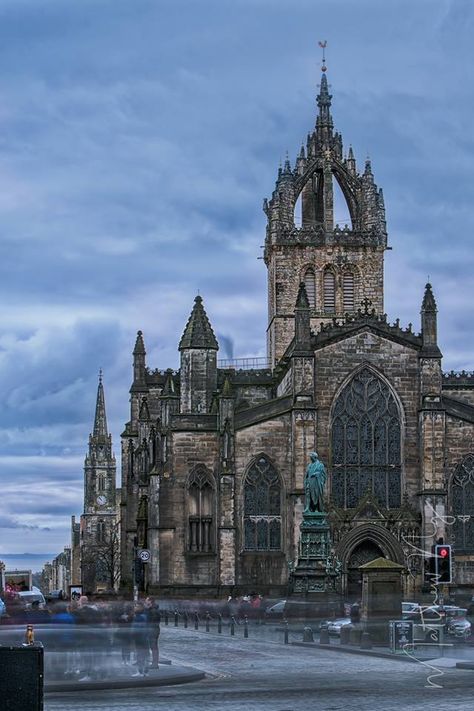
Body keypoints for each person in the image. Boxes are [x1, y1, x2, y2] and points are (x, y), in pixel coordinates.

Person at [131, 602, 149, 677]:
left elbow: (137, 629)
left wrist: (133, 636)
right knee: (144, 655)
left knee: (140, 655)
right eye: (135, 606)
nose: (135, 608)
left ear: (141, 607)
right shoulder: (143, 615)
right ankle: (144, 672)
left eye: (137, 606)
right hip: (142, 638)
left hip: (140, 638)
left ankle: (141, 672)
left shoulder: (140, 617)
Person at [144, 596, 161, 669]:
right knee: (152, 647)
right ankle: (153, 663)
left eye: (146, 600)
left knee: (153, 647)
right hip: (152, 629)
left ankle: (155, 663)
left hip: (153, 630)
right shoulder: (150, 609)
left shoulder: (154, 610)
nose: (145, 601)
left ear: (150, 601)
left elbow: (154, 621)